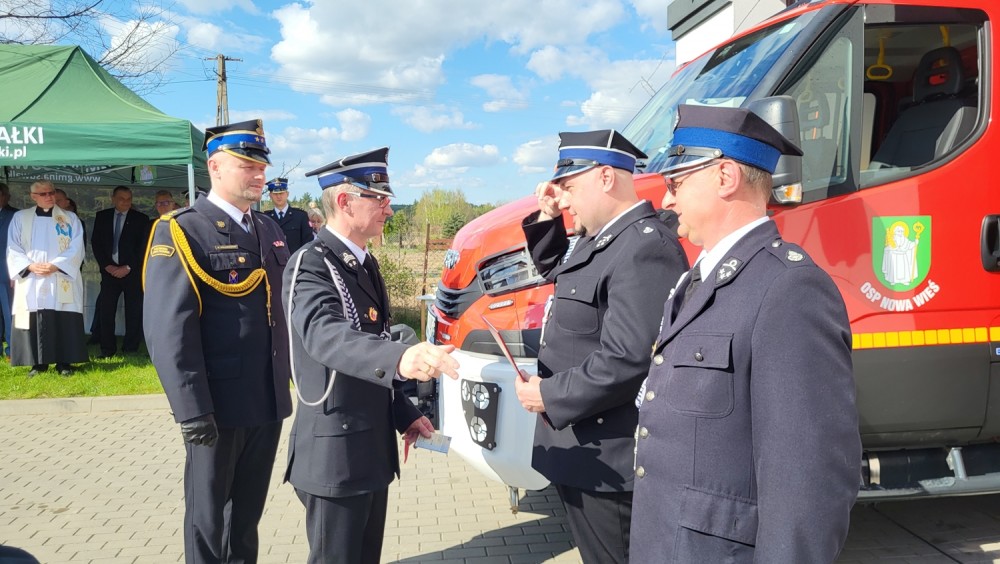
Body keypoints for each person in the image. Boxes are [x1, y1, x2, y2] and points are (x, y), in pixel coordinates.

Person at [630, 105, 861, 563]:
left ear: (725, 176)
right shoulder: (696, 279)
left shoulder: (789, 288)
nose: (667, 200)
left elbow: (807, 479)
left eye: (675, 183)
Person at [513, 130, 688, 563]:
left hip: (612, 455)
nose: (564, 199)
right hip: (584, 449)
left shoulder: (643, 246)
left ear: (606, 178)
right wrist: (548, 215)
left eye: (570, 188)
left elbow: (629, 358)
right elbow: (560, 271)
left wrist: (549, 395)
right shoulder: (602, 237)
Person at [283, 147, 460, 564]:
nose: (390, 209)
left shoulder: (364, 264)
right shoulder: (310, 264)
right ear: (345, 201)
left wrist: (404, 413)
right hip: (336, 455)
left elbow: (373, 338)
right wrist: (401, 358)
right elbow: (326, 336)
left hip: (370, 449)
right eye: (379, 198)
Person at [142, 119, 293, 563]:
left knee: (245, 518)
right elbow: (169, 330)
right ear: (214, 166)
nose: (259, 174)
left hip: (266, 398)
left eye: (261, 166)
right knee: (208, 520)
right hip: (217, 404)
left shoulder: (268, 229)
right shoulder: (183, 229)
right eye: (248, 165)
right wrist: (191, 408)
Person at [6, 180, 87, 376]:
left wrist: (56, 265)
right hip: (32, 278)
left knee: (63, 317)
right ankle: (38, 363)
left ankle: (64, 363)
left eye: (51, 192)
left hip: (60, 276)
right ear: (33, 196)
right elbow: (13, 247)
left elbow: (77, 246)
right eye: (44, 194)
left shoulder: (69, 218)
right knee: (34, 318)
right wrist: (29, 266)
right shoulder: (20, 218)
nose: (50, 196)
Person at [91, 186, 150, 357]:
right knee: (106, 311)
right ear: (113, 199)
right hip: (109, 273)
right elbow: (96, 243)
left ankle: (130, 347)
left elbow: (143, 247)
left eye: (129, 199)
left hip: (132, 273)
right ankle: (107, 349)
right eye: (122, 199)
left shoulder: (141, 219)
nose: (126, 202)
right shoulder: (102, 217)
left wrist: (128, 267)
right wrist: (107, 266)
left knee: (133, 311)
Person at [264, 177, 312, 252]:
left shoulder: (300, 216)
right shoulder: (265, 218)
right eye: (275, 194)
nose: (279, 196)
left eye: (281, 193)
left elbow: (308, 243)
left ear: (287, 194)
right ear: (270, 195)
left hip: (295, 258)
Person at [0, 182, 19, 359]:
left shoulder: (16, 216)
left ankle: (13, 350)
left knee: (9, 313)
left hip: (7, 273)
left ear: (6, 197)